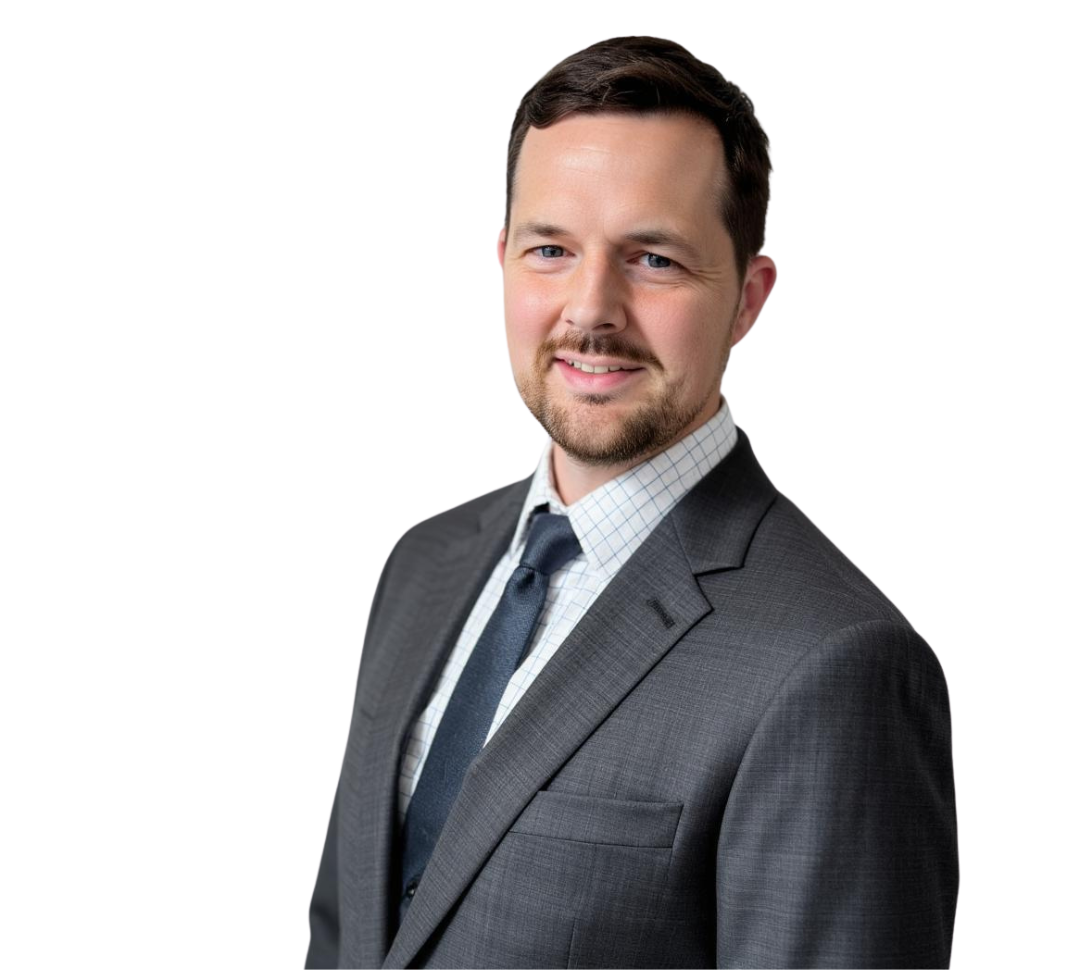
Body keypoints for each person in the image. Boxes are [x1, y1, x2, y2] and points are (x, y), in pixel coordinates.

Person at [305, 35, 958, 970]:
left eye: (653, 259)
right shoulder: (423, 559)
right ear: (501, 262)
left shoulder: (836, 666)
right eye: (551, 249)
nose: (591, 309)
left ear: (749, 299)